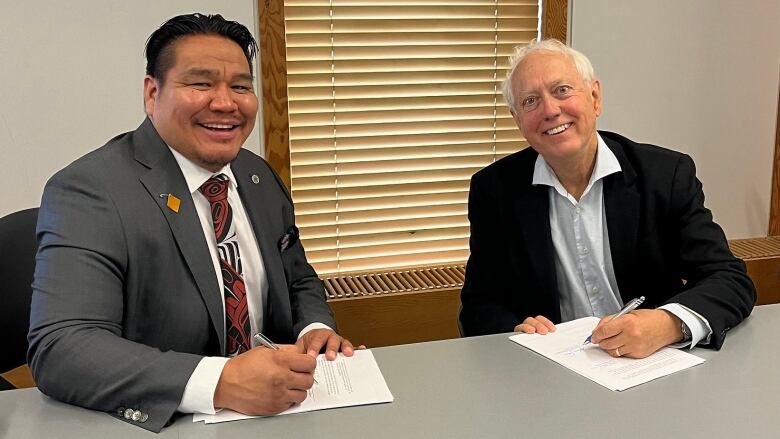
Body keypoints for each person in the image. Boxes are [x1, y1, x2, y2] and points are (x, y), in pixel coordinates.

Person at [28, 13, 359, 433]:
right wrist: (220, 382)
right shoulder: (90, 191)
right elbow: (62, 348)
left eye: (240, 86)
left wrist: (314, 328)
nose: (225, 102)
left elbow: (298, 279)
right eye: (200, 84)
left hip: (279, 417)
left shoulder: (256, 176)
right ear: (152, 93)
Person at [459, 39, 755, 359]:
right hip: (552, 372)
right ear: (518, 121)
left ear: (595, 97)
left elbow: (730, 279)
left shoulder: (663, 175)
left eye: (562, 90)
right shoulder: (494, 190)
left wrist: (669, 323)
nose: (550, 110)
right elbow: (478, 307)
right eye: (530, 101)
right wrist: (515, 329)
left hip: (652, 363)